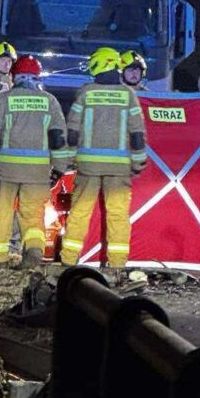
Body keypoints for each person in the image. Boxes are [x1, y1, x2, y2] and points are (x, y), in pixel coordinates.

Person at [0, 55, 71, 268]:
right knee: (33, 214)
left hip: (8, 171)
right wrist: (59, 169)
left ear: (14, 77)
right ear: (38, 77)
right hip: (38, 173)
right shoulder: (50, 101)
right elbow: (59, 139)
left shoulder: (4, 99)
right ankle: (34, 250)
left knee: (1, 212)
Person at [60, 47, 148, 269]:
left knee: (80, 212)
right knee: (118, 215)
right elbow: (137, 133)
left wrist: (68, 159)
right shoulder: (128, 95)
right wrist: (138, 162)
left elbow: (72, 131)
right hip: (119, 169)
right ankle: (117, 265)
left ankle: (68, 260)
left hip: (88, 166)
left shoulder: (85, 92)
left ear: (100, 64)